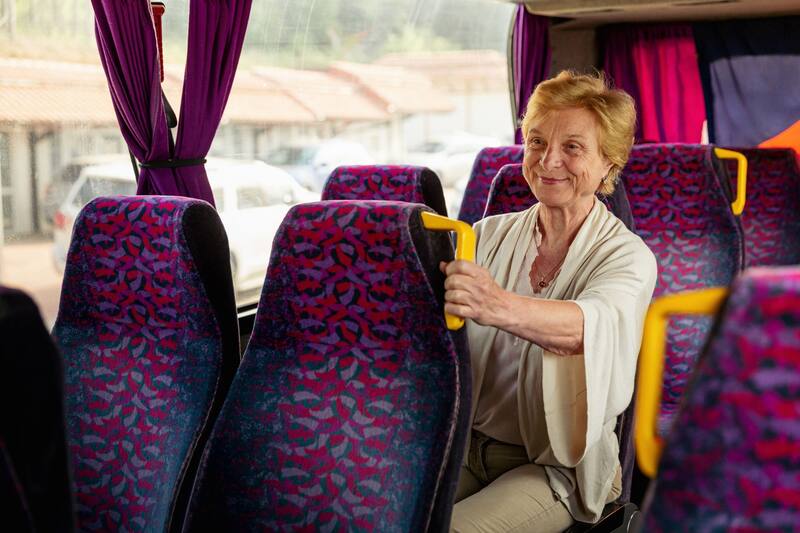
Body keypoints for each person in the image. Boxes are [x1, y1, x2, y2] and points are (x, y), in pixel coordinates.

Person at [442, 70, 658, 532]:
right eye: (537, 142)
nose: (548, 161)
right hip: (461, 445)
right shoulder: (485, 235)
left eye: (573, 148)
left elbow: (589, 327)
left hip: (555, 467)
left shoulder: (629, 257)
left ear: (609, 163)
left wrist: (493, 304)